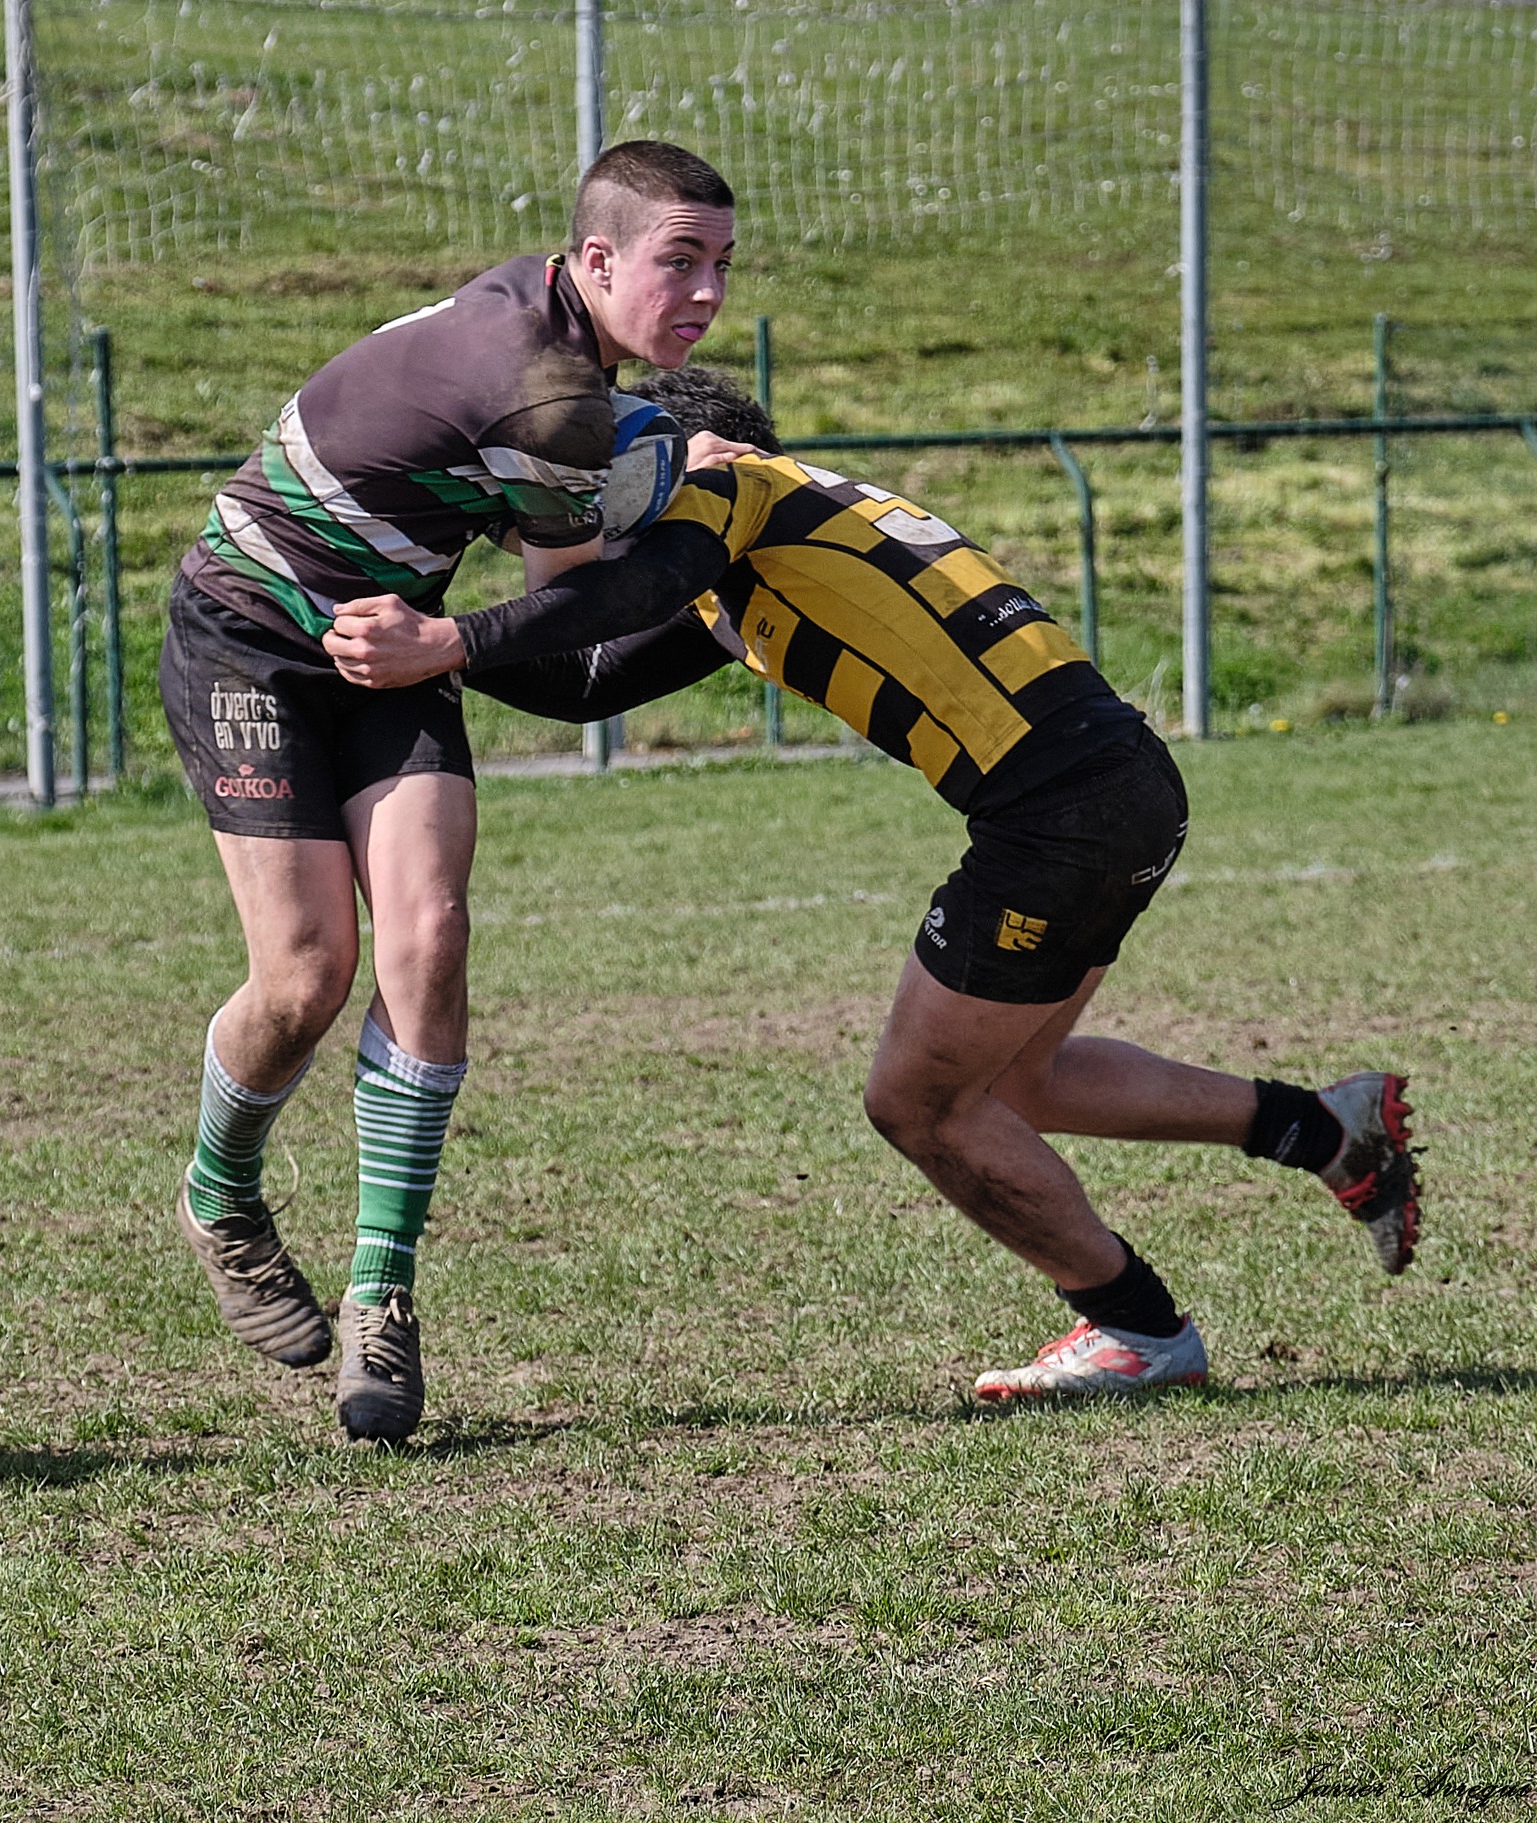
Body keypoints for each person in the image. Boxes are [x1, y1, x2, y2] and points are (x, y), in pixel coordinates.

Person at [322, 365, 1423, 1399]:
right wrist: (434, 650)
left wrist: (452, 632)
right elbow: (585, 681)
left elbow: (621, 595)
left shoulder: (728, 481)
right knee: (1019, 1081)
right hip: (1115, 783)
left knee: (918, 1102)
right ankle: (1321, 1129)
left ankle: (1133, 1326)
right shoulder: (764, 545)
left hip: (1056, 812)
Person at [165, 144, 748, 1443]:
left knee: (428, 936)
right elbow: (581, 629)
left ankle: (383, 1293)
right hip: (246, 636)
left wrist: (666, 602)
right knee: (308, 973)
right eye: (678, 261)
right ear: (595, 261)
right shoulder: (552, 397)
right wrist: (699, 543)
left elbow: (564, 648)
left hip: (392, 636)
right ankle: (221, 1190)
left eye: (721, 263)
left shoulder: (550, 334)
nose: (706, 291)